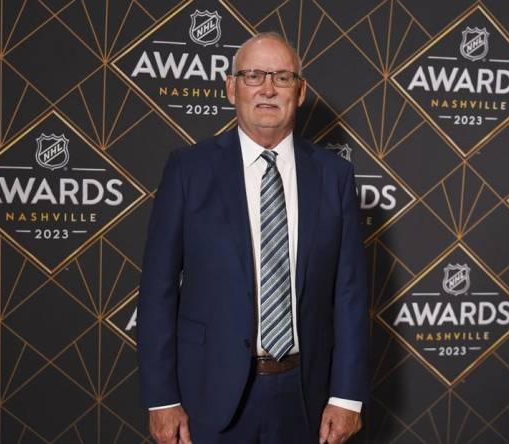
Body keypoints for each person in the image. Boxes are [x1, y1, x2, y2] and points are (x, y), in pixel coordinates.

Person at [137, 32, 369, 444]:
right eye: (253, 76)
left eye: (281, 77)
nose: (267, 88)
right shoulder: (188, 170)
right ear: (231, 88)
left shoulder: (335, 177)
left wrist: (347, 398)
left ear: (299, 92)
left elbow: (349, 294)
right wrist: (161, 399)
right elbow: (157, 291)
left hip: (306, 397)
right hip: (208, 395)